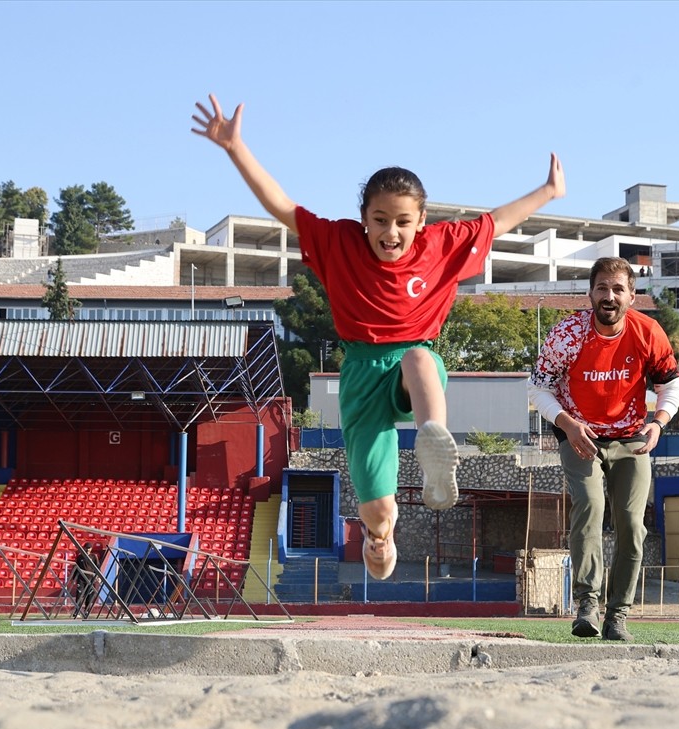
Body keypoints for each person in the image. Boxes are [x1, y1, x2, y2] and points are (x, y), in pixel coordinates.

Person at [192, 93, 565, 580]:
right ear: (364, 217)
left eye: (403, 222)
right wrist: (235, 147)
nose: (391, 232)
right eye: (381, 220)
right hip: (361, 376)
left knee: (420, 358)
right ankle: (380, 535)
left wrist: (548, 191)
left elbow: (497, 221)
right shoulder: (338, 242)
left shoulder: (441, 245)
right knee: (380, 507)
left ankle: (434, 441)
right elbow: (282, 206)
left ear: (421, 222)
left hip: (411, 368)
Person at [528, 258, 679, 641]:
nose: (609, 296)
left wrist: (658, 421)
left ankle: (619, 615)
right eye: (601, 288)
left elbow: (671, 384)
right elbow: (538, 388)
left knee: (632, 525)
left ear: (632, 295)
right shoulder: (567, 335)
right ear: (590, 293)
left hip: (633, 436)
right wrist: (566, 423)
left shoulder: (648, 332)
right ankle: (587, 605)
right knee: (591, 507)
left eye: (617, 289)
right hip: (580, 435)